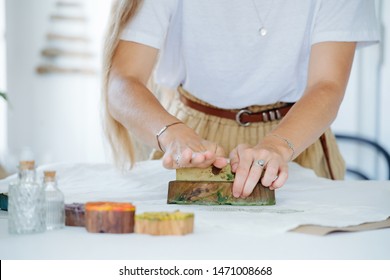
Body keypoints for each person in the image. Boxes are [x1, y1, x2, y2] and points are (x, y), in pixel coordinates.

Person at [102, 0, 379, 198]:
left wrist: (277, 145)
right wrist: (171, 133)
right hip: (190, 136)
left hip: (296, 137)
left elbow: (327, 84)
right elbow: (122, 82)